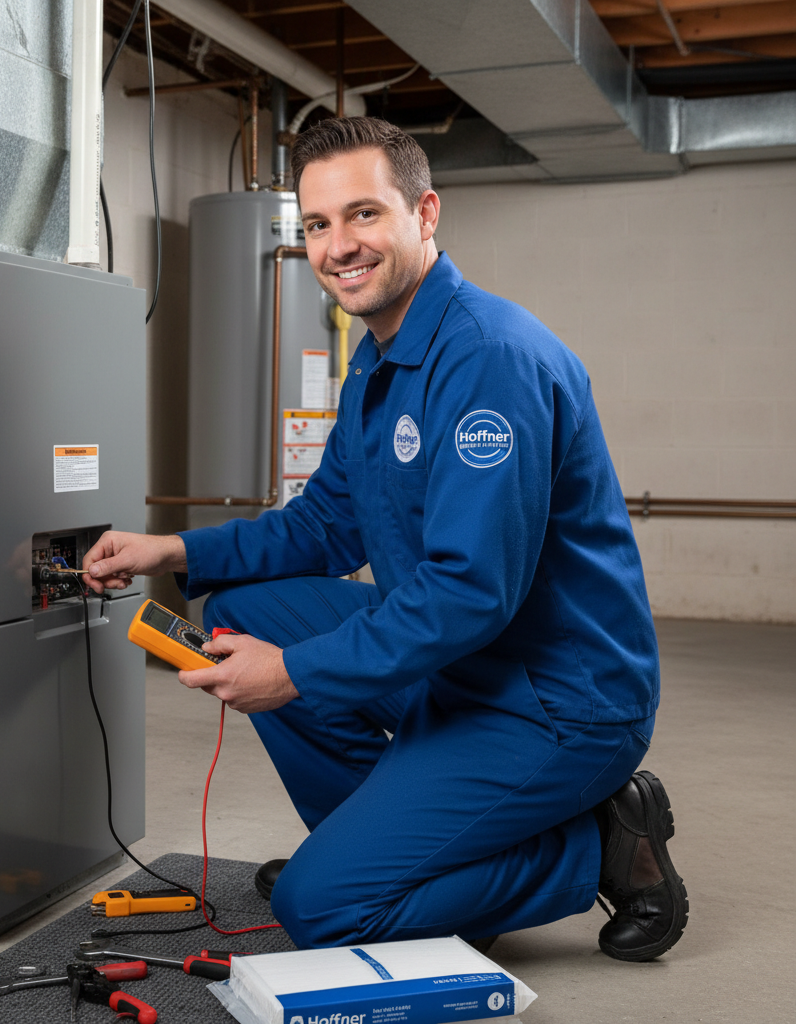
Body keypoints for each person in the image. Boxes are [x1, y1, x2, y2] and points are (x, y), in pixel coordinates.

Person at [83, 117, 688, 962]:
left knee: (319, 910)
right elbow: (327, 523)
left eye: (364, 214)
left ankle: (593, 845)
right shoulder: (377, 359)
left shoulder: (487, 361)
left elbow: (468, 593)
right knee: (249, 609)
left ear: (425, 213)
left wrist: (291, 673)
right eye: (320, 225)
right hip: (463, 670)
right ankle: (381, 854)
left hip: (554, 702)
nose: (339, 246)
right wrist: (171, 553)